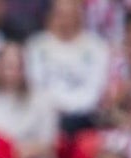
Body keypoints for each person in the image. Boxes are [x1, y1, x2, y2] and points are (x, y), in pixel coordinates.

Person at [23, 0, 109, 133]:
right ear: (51, 15)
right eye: (61, 14)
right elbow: (36, 86)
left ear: (80, 16)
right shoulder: (36, 46)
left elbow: (94, 91)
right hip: (45, 117)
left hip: (84, 119)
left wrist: (70, 109)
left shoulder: (97, 48)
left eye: (71, 14)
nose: (66, 20)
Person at [0, 43, 58, 158]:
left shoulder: (42, 101)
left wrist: (12, 157)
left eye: (18, 67)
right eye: (7, 66)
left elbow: (47, 145)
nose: (12, 72)